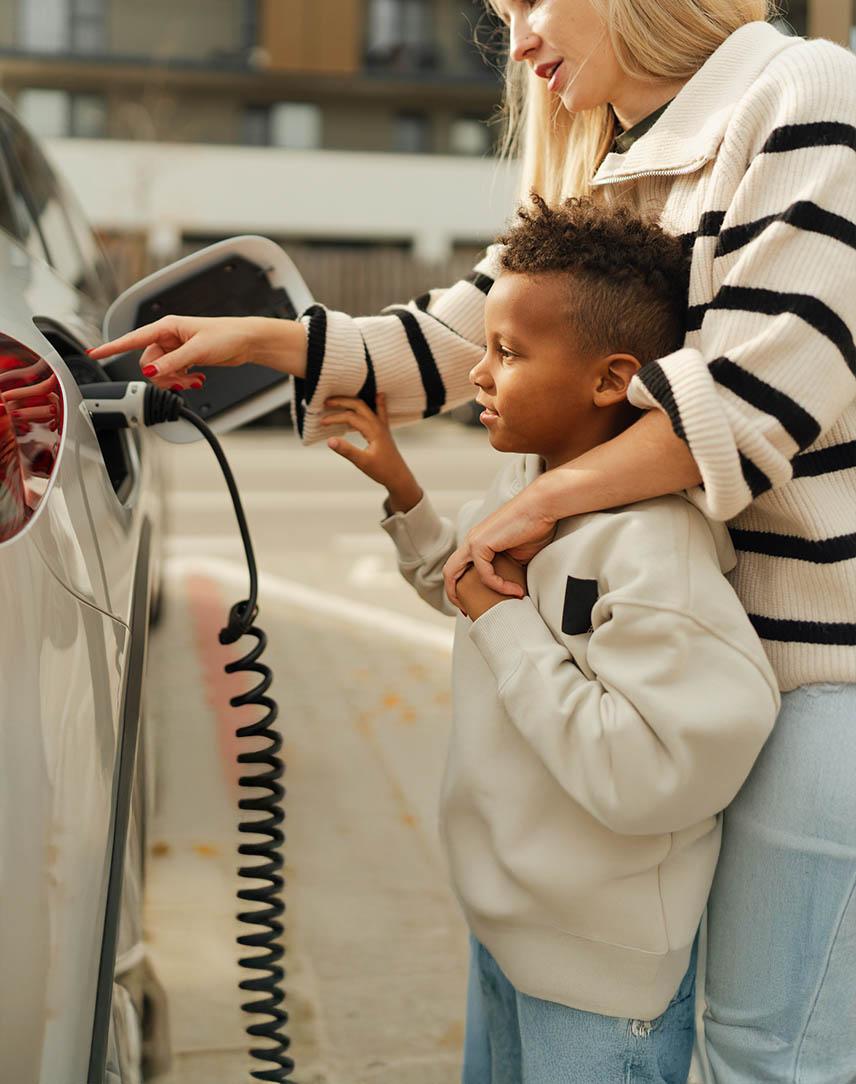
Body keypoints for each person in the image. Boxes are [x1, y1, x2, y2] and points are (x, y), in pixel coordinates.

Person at [90, 4, 856, 1079]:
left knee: (769, 1058)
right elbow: (462, 340)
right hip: (676, 660)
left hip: (811, 670)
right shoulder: (609, 160)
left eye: (532, 0)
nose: (517, 36)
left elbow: (760, 394)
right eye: (500, 14)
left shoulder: (800, 92)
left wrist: (528, 512)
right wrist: (264, 342)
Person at [319, 197, 780, 1083]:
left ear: (611, 380)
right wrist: (403, 490)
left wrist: (505, 622)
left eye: (508, 353)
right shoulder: (524, 486)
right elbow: (467, 586)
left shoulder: (653, 546)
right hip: (504, 930)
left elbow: (652, 777)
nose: (481, 377)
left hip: (600, 985)